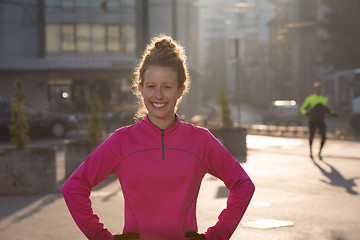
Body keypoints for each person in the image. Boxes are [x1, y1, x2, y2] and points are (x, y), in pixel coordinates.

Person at [62, 34, 255, 240]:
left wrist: (216, 236)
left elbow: (243, 185)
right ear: (141, 88)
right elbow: (74, 188)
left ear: (181, 90)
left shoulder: (201, 140)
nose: (159, 95)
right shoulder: (122, 141)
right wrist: (103, 237)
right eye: (151, 86)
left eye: (167, 87)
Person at [300, 82, 337, 160]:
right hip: (312, 120)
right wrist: (306, 113)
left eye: (319, 89)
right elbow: (302, 108)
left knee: (323, 137)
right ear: (314, 90)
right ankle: (310, 151)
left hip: (321, 121)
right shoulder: (310, 98)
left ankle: (320, 152)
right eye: (316, 89)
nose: (318, 90)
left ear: (321, 90)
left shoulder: (324, 98)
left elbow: (327, 109)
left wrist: (333, 114)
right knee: (311, 136)